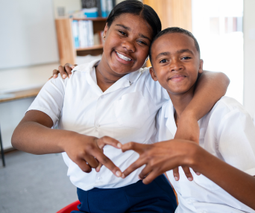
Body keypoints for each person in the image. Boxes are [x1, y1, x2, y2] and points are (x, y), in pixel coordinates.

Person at [11, 1, 229, 212]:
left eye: (142, 42)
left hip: (145, 198)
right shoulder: (66, 80)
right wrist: (67, 139)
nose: (129, 45)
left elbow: (218, 78)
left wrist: (189, 117)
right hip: (88, 201)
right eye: (122, 33)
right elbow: (22, 134)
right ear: (105, 31)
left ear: (149, 55)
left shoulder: (151, 81)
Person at [119, 27, 255, 213]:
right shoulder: (161, 115)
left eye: (185, 57)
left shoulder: (228, 113)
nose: (175, 65)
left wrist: (194, 155)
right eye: (164, 60)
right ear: (153, 74)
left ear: (200, 65)